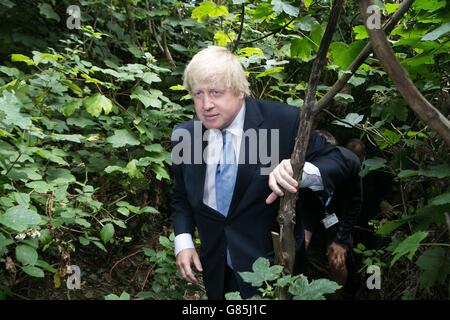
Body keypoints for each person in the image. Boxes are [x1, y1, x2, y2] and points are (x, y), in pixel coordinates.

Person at [170, 46, 349, 299]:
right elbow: (180, 196)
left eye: (216, 93)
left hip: (274, 272)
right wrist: (184, 240)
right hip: (216, 270)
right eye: (198, 94)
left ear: (240, 90)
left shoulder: (283, 122)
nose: (205, 105)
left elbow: (342, 161)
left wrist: (299, 170)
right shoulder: (185, 136)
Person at [268, 134, 362, 289]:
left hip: (336, 210)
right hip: (310, 206)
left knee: (336, 260)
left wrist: (340, 240)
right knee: (297, 247)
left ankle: (336, 294)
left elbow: (354, 203)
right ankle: (292, 290)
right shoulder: (301, 167)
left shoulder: (348, 164)